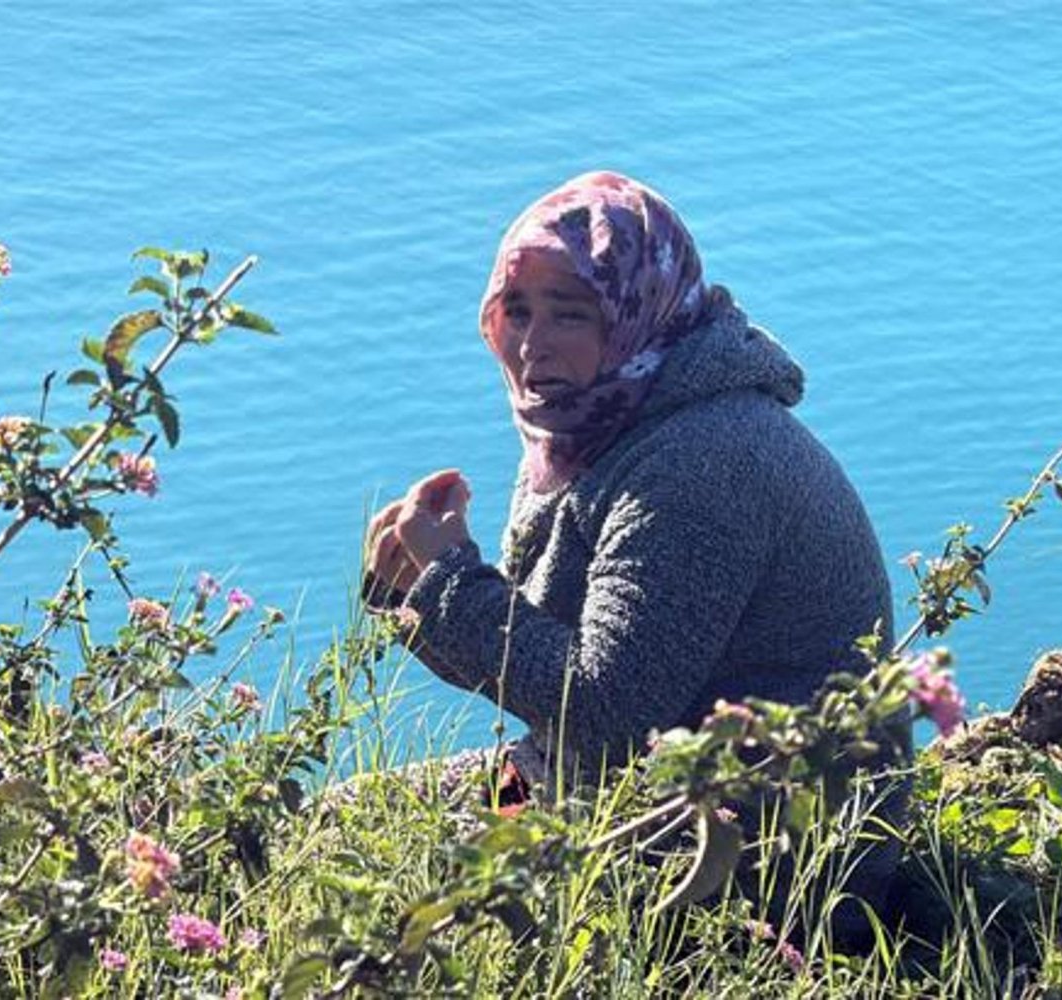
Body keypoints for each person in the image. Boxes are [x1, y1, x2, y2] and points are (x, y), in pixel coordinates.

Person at [363, 171, 904, 942]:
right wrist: (413, 587)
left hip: (768, 868)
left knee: (400, 882)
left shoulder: (702, 462)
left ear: (633, 314)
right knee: (379, 828)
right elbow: (553, 675)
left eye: (570, 314)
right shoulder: (598, 422)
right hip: (654, 795)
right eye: (516, 310)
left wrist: (453, 583)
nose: (531, 344)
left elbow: (608, 709)